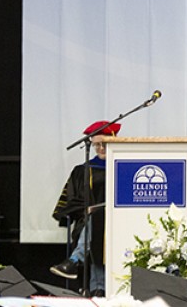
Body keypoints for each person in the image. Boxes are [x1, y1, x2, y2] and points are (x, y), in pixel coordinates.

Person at [49, 121, 120, 293]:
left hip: (120, 222)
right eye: (96, 145)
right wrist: (87, 208)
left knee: (100, 222)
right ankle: (98, 289)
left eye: (105, 144)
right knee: (97, 223)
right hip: (89, 220)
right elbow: (73, 200)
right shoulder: (83, 170)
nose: (101, 148)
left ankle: (74, 261)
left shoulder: (126, 168)